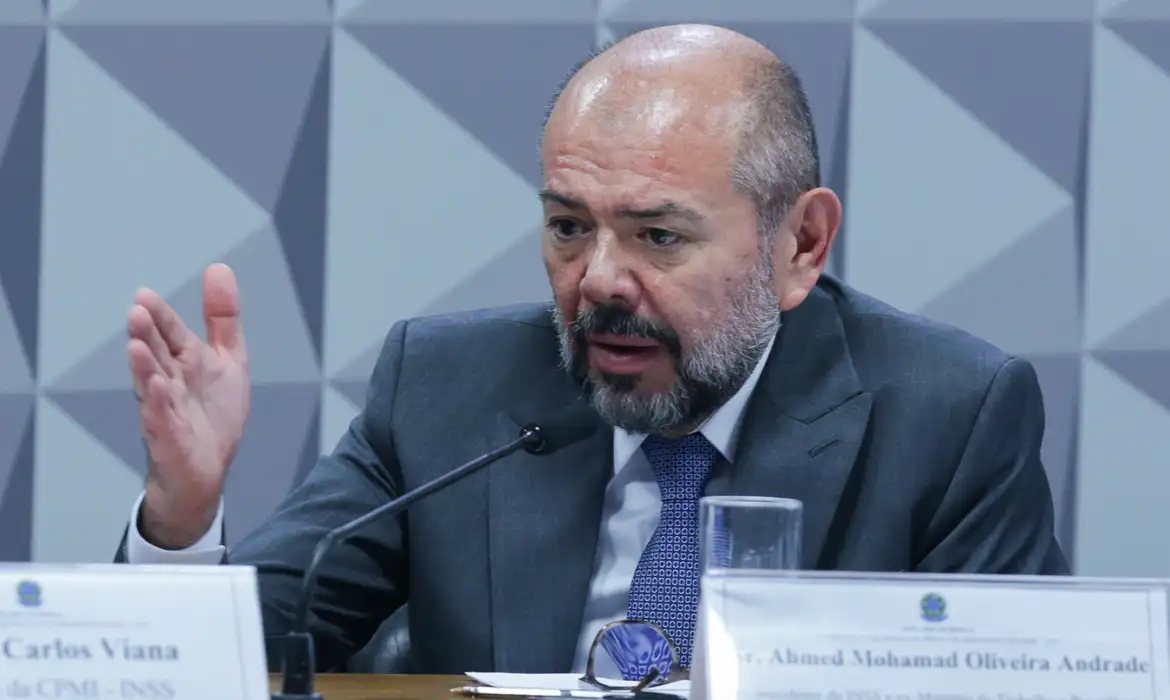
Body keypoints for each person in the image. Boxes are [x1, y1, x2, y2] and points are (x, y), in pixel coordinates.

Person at [114, 24, 1068, 675]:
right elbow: (233, 657)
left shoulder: (950, 416)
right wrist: (182, 520)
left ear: (801, 245)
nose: (600, 281)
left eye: (659, 236)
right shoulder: (446, 388)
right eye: (570, 227)